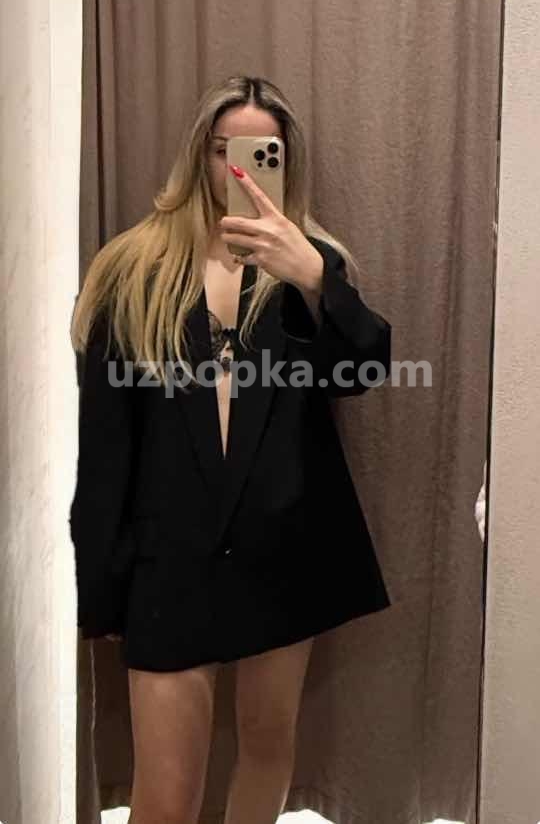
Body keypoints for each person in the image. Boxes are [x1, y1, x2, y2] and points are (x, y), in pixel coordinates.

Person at [69, 75, 392, 824]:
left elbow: (365, 370)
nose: (240, 171)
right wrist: (100, 587)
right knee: (164, 796)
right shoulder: (134, 269)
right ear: (200, 155)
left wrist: (312, 277)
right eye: (226, 151)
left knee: (267, 745)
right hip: (169, 556)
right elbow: (105, 445)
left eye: (261, 153)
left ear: (286, 160)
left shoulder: (311, 266)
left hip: (284, 547)